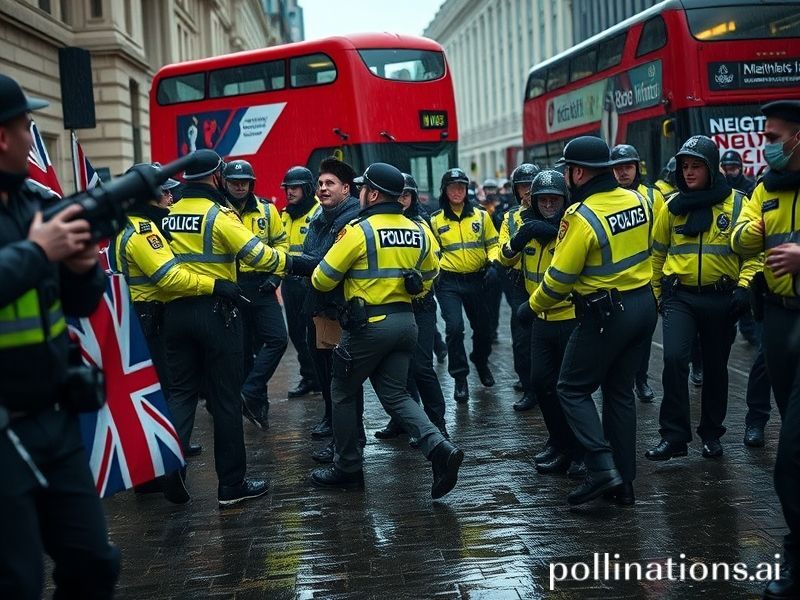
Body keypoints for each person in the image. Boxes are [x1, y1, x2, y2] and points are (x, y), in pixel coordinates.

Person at [0, 73, 120, 597]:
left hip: (53, 419)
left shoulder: (30, 204)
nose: (32, 136)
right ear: (3, 136)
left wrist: (77, 266)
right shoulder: (32, 226)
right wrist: (39, 252)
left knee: (94, 563)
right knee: (17, 581)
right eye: (26, 126)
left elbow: (79, 303)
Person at [307, 162, 463, 499]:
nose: (361, 193)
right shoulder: (418, 230)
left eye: (363, 188)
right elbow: (429, 275)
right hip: (406, 324)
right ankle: (439, 447)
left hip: (367, 327)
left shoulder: (358, 230)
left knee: (343, 391)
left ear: (373, 194)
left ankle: (347, 467)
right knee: (396, 394)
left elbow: (322, 278)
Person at [523, 136, 656, 506]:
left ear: (579, 172)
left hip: (605, 314)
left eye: (568, 169)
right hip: (643, 306)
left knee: (570, 388)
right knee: (619, 393)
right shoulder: (639, 199)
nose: (566, 176)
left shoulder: (580, 216)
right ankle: (624, 484)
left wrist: (529, 307)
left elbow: (559, 278)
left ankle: (600, 468)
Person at [160, 148, 287, 507]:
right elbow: (258, 255)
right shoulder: (219, 215)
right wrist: (294, 263)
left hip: (175, 313)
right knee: (226, 399)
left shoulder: (169, 213)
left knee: (182, 393)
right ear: (217, 176)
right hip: (217, 313)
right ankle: (231, 486)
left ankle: (170, 467)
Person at [645, 135, 757, 463]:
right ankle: (674, 436)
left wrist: (745, 286)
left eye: (696, 166)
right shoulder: (670, 207)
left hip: (722, 298)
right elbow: (657, 254)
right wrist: (656, 294)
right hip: (680, 297)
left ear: (711, 167)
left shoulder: (738, 204)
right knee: (674, 360)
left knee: (715, 368)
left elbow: (753, 251)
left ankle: (711, 434)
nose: (689, 172)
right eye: (684, 167)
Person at [730, 99, 800, 599]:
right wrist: (748, 232)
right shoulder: (765, 189)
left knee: (791, 455)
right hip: (777, 320)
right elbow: (738, 235)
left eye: (774, 138)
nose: (766, 146)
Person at [506, 170, 587, 479]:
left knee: (569, 390)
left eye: (555, 199)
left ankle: (580, 451)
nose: (549, 205)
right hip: (540, 320)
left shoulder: (572, 228)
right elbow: (505, 258)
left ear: (564, 200)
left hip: (569, 318)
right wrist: (519, 239)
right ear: (534, 202)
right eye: (543, 200)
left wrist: (554, 233)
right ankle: (559, 443)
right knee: (542, 385)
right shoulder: (526, 226)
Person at [286, 157, 361, 461]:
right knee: (327, 374)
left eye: (329, 183)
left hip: (339, 309)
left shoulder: (350, 219)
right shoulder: (321, 217)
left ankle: (348, 444)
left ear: (346, 188)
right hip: (320, 306)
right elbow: (312, 253)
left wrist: (288, 262)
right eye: (319, 184)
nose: (322, 189)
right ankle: (334, 426)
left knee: (342, 380)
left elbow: (323, 261)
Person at [375, 173, 449, 443]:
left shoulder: (421, 225)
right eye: (398, 195)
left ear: (413, 198)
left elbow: (435, 269)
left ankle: (437, 423)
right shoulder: (379, 223)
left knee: (420, 366)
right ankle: (402, 420)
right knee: (397, 368)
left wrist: (418, 287)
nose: (402, 200)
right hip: (393, 306)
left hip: (421, 305)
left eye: (406, 195)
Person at [223, 159, 289, 430]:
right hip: (232, 287)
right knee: (243, 350)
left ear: (252, 183)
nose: (239, 186)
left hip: (263, 285)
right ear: (225, 183)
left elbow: (281, 242)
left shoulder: (266, 208)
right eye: (234, 182)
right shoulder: (218, 210)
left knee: (278, 339)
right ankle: (257, 406)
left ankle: (249, 391)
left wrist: (275, 277)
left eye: (244, 182)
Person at [429, 168, 499, 402]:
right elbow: (432, 252)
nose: (457, 191)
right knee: (455, 328)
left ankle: (480, 361)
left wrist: (492, 263)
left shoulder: (481, 216)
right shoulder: (435, 220)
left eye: (461, 187)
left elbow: (493, 244)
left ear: (467, 190)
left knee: (484, 330)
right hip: (449, 283)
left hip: (478, 281)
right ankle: (460, 377)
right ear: (445, 190)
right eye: (452, 187)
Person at [610, 143, 667, 403]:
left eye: (628, 167)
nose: (623, 173)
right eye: (618, 168)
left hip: (644, 276)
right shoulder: (605, 197)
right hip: (613, 279)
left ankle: (641, 379)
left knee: (643, 335)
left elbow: (662, 235)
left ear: (637, 169)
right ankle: (617, 379)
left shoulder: (654, 196)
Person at [497, 163, 539, 411]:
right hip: (520, 285)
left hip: (547, 282)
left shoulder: (557, 211)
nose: (528, 192)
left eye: (532, 186)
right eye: (523, 187)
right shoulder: (510, 218)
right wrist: (519, 240)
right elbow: (504, 256)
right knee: (522, 340)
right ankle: (528, 388)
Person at [280, 166, 322, 398]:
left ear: (306, 188)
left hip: (310, 282)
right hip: (289, 282)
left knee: (314, 334)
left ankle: (321, 377)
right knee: (296, 333)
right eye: (287, 188)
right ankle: (309, 377)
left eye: (294, 187)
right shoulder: (284, 214)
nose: (290, 192)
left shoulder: (319, 212)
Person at [719, 150, 760, 345]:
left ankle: (748, 328)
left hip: (745, 244)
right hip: (726, 244)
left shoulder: (751, 188)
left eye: (733, 168)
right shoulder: (720, 188)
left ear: (741, 168)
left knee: (746, 289)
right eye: (726, 168)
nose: (729, 172)